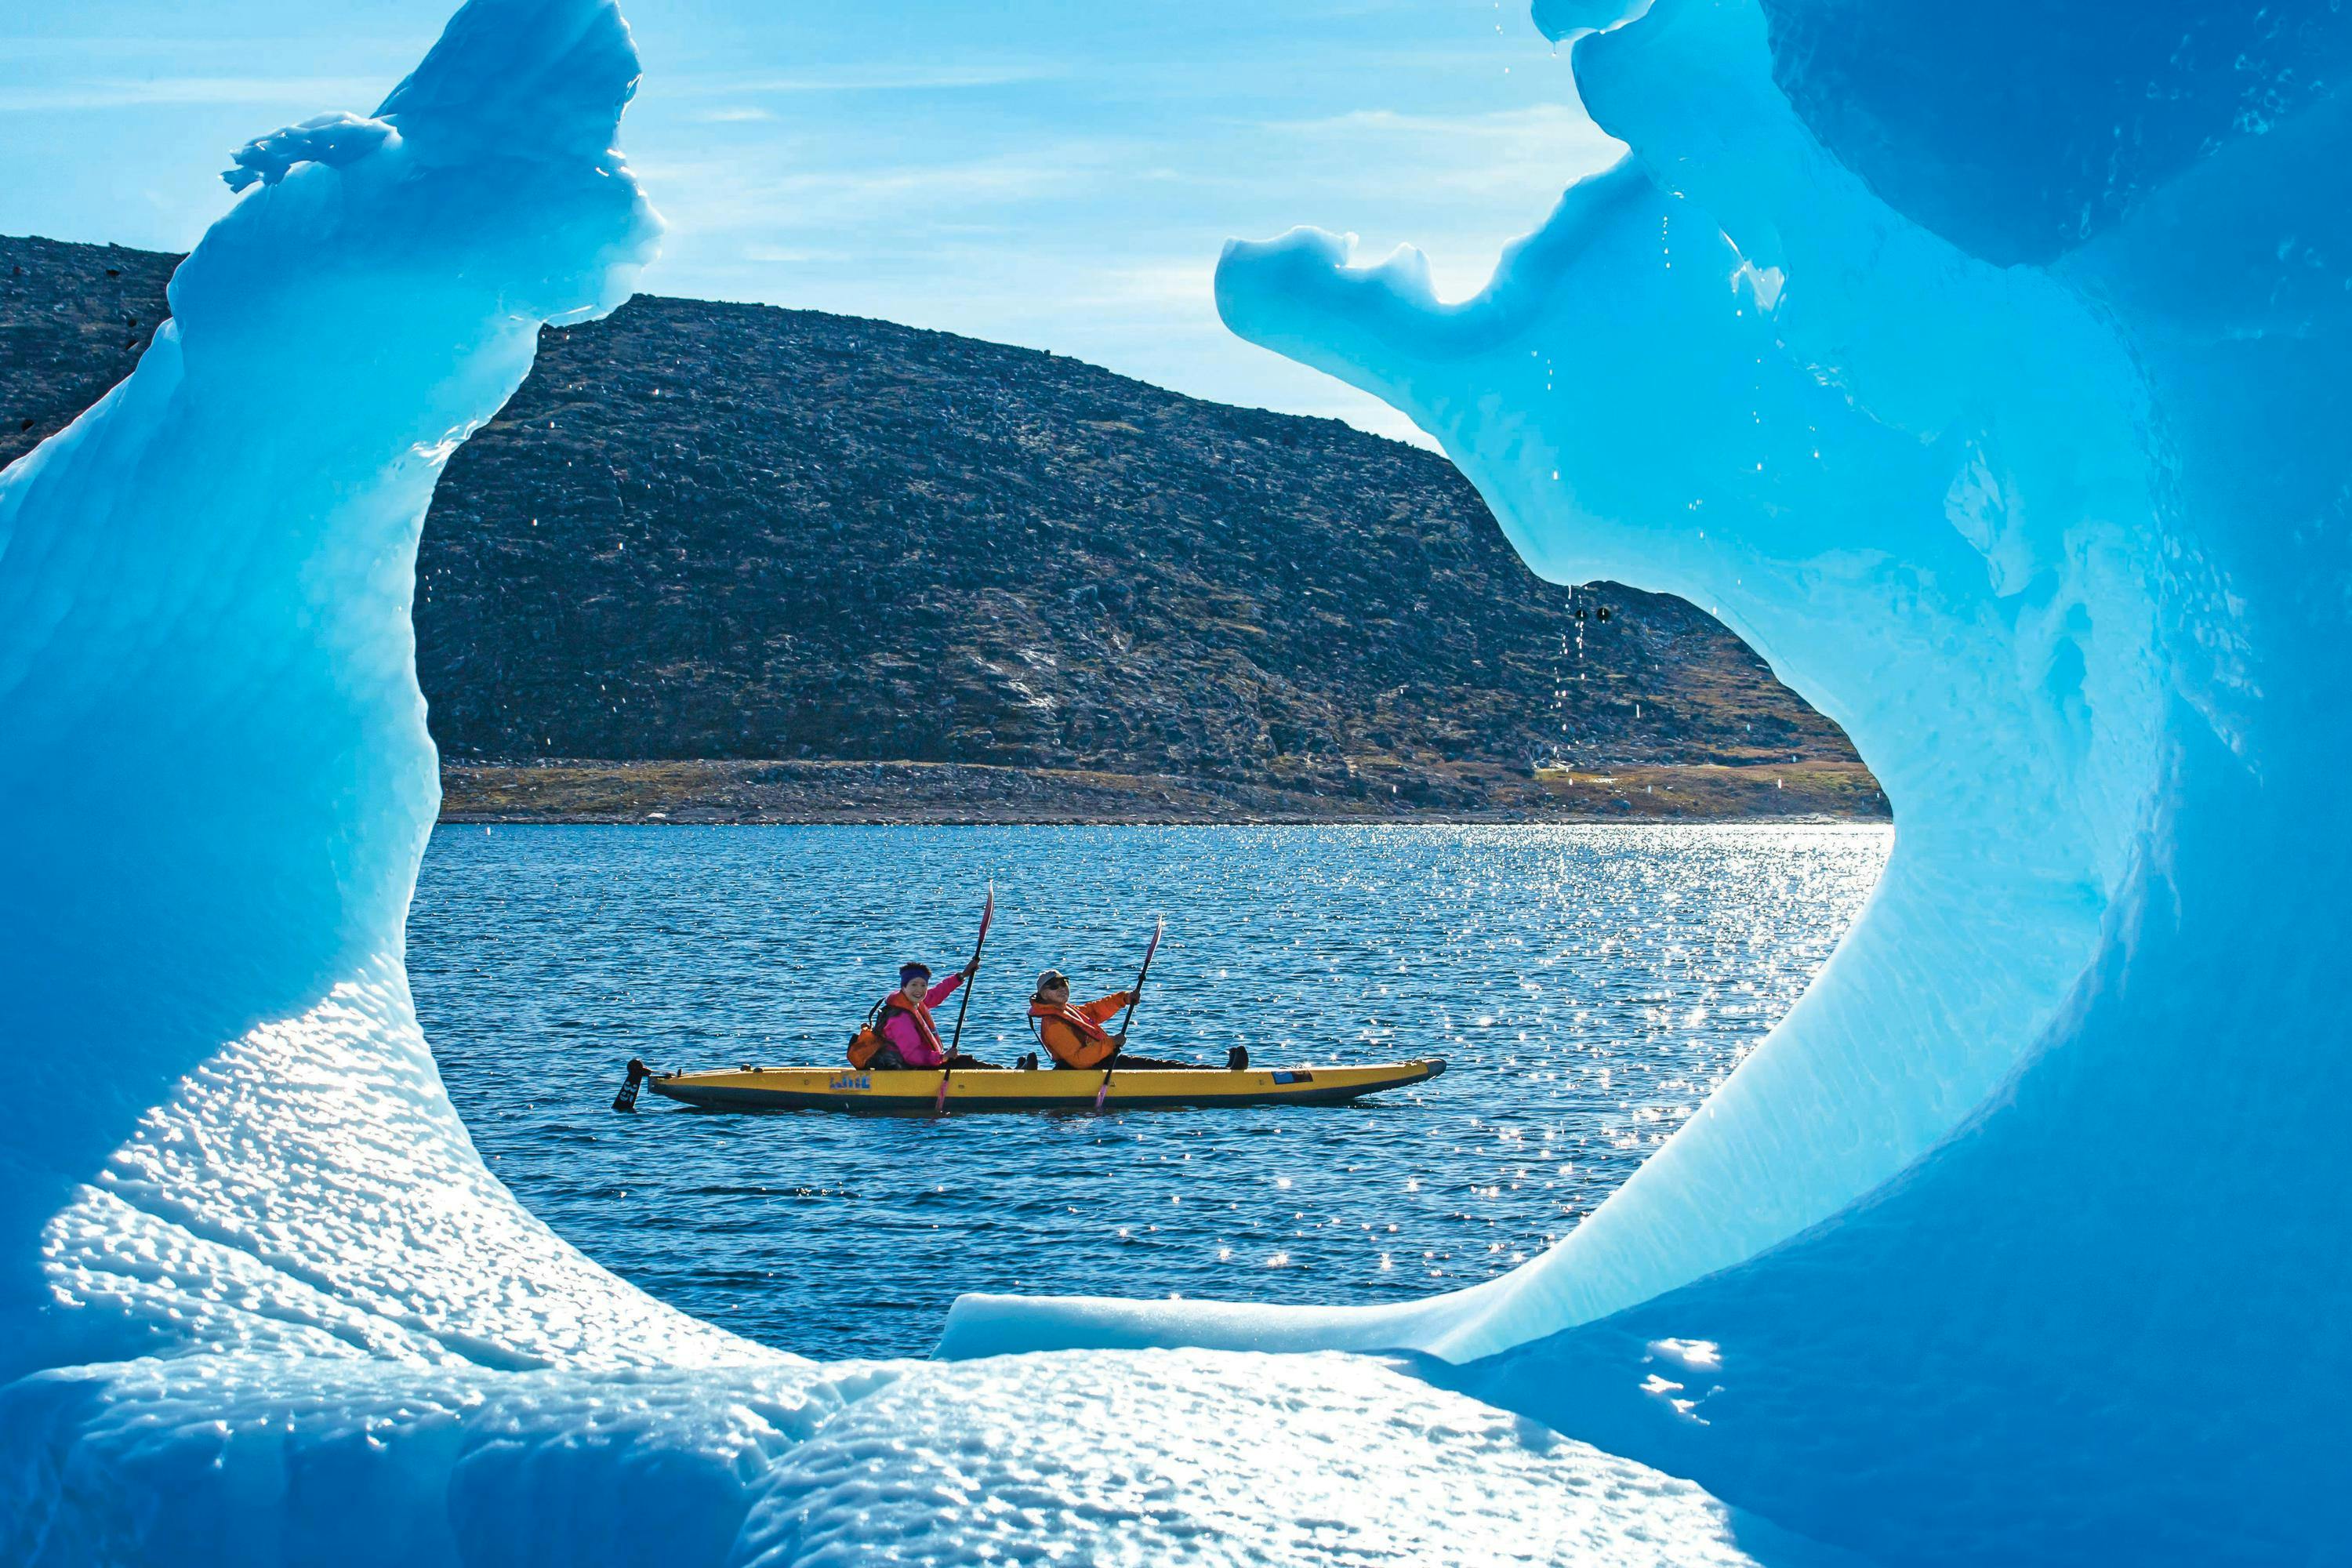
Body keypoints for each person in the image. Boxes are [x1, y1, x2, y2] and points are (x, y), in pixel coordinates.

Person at [1028, 968, 1187, 1070]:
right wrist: (1111, 1043)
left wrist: (1124, 998)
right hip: (1090, 1070)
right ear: (1043, 995)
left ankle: (1201, 1070)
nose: (1062, 988)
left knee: (1166, 1066)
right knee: (1162, 1067)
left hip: (1101, 1063)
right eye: (1054, 986)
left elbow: (1095, 1011)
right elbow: (1079, 1060)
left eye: (1064, 983)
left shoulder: (1066, 1010)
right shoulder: (1053, 1025)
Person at [875, 960, 996, 1070]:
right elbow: (912, 1056)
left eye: (923, 985)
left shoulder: (913, 1003)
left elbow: (936, 994)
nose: (919, 990)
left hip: (922, 1064)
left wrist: (961, 976)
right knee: (964, 1064)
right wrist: (941, 1058)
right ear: (903, 987)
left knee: (966, 1061)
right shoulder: (900, 1019)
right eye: (914, 985)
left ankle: (1007, 1073)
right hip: (907, 1069)